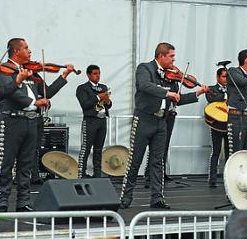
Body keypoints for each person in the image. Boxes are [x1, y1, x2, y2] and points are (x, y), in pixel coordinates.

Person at [120, 42, 208, 209]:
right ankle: (126, 197)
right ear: (161, 56)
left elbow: (178, 99)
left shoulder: (171, 76)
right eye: (171, 57)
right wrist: (167, 93)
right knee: (135, 160)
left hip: (161, 122)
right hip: (144, 120)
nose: (174, 61)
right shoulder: (144, 69)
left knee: (157, 161)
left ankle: (157, 198)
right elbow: (146, 86)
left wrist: (197, 93)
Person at [0, 38, 74, 212]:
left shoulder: (31, 72)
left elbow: (47, 92)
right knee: (7, 162)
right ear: (16, 51)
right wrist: (34, 102)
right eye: (26, 48)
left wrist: (63, 75)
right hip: (13, 120)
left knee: (26, 163)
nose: (30, 52)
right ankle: (2, 200)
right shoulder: (4, 70)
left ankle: (23, 201)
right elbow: (9, 93)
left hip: (31, 121)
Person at [76, 64, 112, 178]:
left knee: (98, 149)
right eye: (95, 74)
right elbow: (85, 104)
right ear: (88, 75)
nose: (98, 76)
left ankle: (97, 173)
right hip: (90, 120)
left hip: (102, 120)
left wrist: (107, 101)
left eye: (99, 73)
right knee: (86, 147)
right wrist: (98, 97)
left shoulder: (103, 87)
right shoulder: (82, 88)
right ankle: (81, 173)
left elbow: (109, 105)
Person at [206, 67, 229, 188]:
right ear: (218, 77)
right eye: (224, 76)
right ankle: (212, 178)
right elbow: (211, 99)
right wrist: (225, 95)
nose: (226, 79)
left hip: (228, 123)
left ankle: (228, 178)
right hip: (216, 124)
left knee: (229, 152)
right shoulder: (211, 89)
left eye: (227, 77)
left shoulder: (233, 89)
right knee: (216, 151)